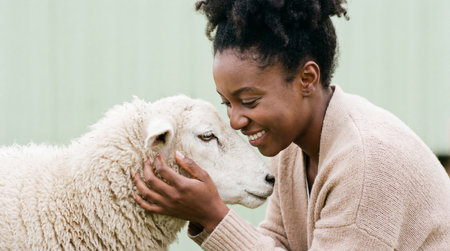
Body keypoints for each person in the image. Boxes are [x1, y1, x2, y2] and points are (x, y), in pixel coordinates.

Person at [132, 0, 450, 250]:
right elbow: (277, 243)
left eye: (250, 101)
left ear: (306, 79)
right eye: (227, 102)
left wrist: (214, 216)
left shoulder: (367, 163)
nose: (235, 120)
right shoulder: (290, 150)